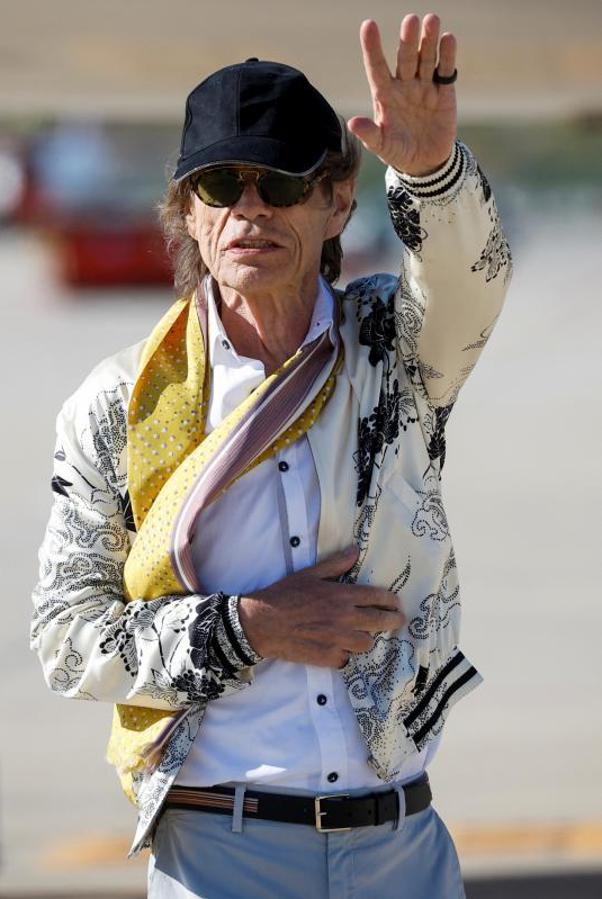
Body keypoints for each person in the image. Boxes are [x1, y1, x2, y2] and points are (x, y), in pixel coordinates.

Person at [31, 13, 512, 899]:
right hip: (221, 852)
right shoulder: (120, 404)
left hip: (401, 847)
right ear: (187, 211)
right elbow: (65, 639)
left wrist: (434, 175)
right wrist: (247, 628)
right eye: (220, 183)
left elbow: (467, 281)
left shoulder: (394, 351)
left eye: (280, 182)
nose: (249, 207)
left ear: (336, 199)